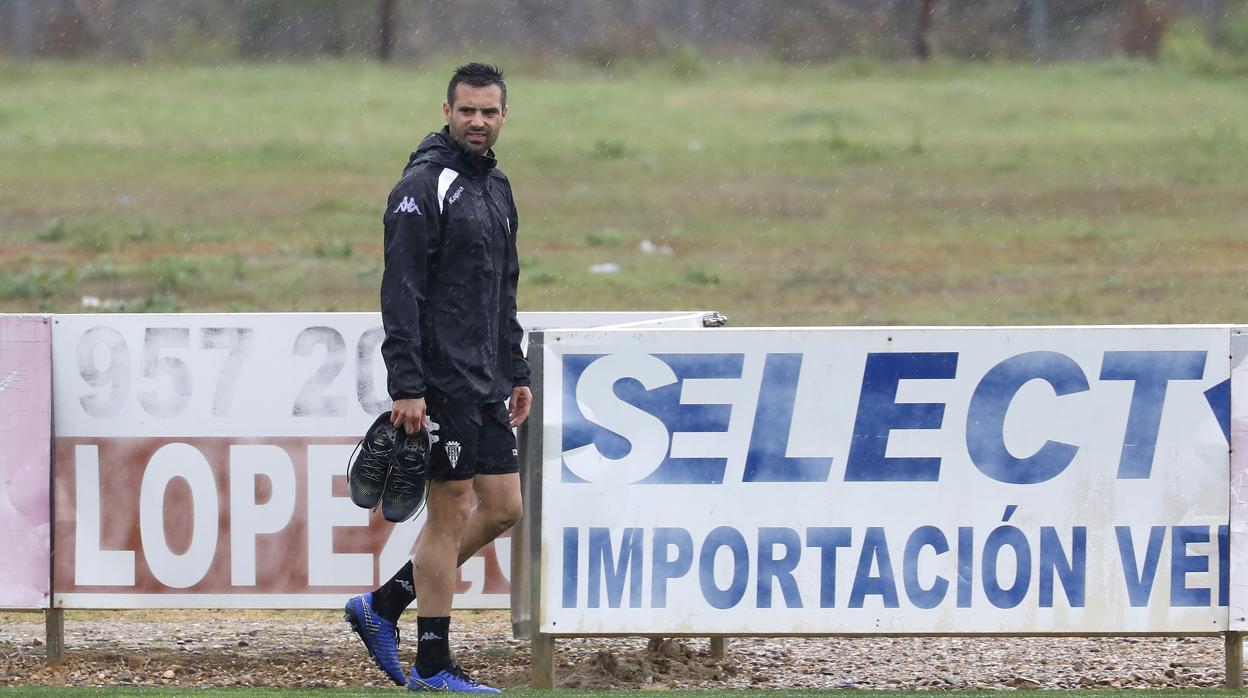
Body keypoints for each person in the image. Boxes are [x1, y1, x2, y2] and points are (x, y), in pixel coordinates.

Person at [344, 62, 531, 694]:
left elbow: (503, 286)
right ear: (446, 111)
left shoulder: (496, 185)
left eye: (490, 112)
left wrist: (515, 367)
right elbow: (400, 292)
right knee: (449, 512)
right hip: (439, 378)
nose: (478, 122)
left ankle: (384, 605)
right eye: (467, 110)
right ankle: (431, 666)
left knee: (504, 507)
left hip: (486, 378)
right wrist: (407, 385)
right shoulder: (421, 186)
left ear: (504, 116)